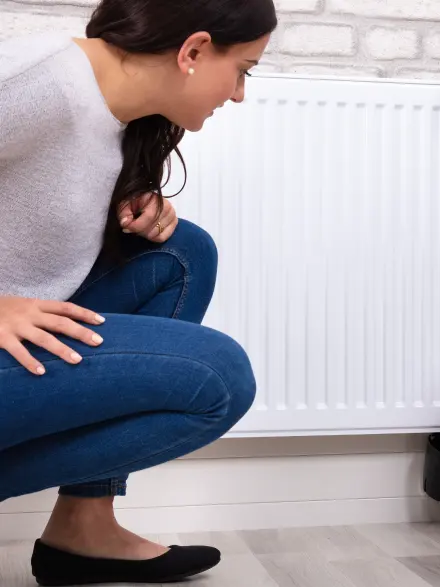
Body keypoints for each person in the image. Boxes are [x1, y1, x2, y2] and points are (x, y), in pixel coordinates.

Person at [0, 0, 276, 584]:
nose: (238, 94)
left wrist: (124, 208)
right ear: (194, 51)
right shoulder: (37, 82)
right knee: (218, 379)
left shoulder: (112, 112)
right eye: (244, 69)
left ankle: (83, 526)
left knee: (180, 256)